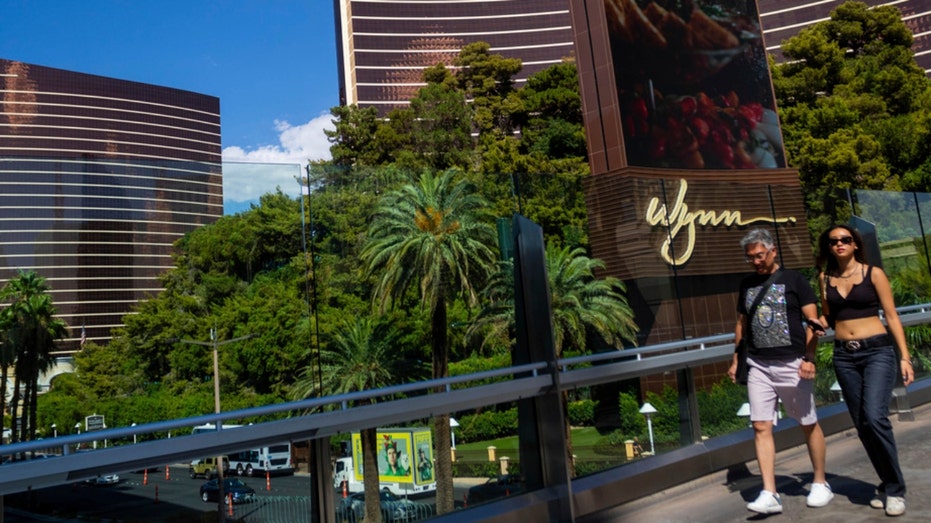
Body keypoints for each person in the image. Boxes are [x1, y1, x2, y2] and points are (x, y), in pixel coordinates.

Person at [728, 228, 833, 514]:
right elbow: (741, 323)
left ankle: (821, 482)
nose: (755, 262)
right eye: (750, 258)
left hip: (792, 362)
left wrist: (809, 358)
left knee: (807, 422)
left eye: (759, 256)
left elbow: (814, 322)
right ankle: (769, 492)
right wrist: (737, 358)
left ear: (773, 251)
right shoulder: (747, 284)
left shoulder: (795, 279)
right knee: (760, 425)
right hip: (758, 364)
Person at [815, 224, 914, 517]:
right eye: (834, 241)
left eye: (845, 239)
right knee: (862, 424)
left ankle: (896, 489)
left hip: (877, 352)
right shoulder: (824, 278)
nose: (840, 244)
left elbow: (892, 317)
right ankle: (886, 484)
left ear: (855, 244)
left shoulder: (874, 274)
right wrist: (816, 323)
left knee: (875, 417)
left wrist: (905, 357)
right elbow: (829, 316)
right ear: (829, 247)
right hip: (844, 356)